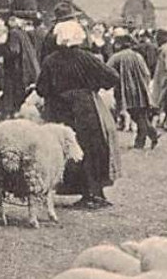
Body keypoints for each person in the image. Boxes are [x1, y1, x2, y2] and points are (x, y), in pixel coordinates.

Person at [34, 20, 121, 208]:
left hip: (60, 110)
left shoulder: (51, 60)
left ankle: (73, 189)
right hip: (85, 108)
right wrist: (94, 85)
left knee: (66, 149)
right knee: (91, 148)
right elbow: (112, 76)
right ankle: (94, 192)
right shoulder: (86, 58)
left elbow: (41, 89)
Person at [107, 33, 159, 149]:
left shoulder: (116, 57)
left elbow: (107, 71)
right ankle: (150, 135)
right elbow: (147, 73)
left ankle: (145, 139)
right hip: (141, 90)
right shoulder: (138, 56)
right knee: (141, 115)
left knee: (137, 116)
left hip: (127, 92)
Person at [0, 15, 40, 118]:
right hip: (25, 70)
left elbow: (14, 50)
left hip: (17, 71)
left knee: (13, 99)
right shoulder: (22, 32)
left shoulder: (14, 33)